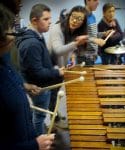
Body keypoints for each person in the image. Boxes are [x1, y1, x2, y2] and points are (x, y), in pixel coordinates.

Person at [0, 2, 54, 150]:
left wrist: (23, 86)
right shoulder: (29, 43)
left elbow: (11, 79)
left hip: (25, 136)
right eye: (9, 30)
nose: (13, 36)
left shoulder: (4, 57)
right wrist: (34, 145)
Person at [16, 4, 64, 135]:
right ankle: (39, 140)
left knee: (39, 115)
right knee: (40, 116)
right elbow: (37, 73)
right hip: (39, 87)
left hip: (38, 83)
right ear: (34, 21)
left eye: (50, 19)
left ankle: (39, 132)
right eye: (46, 19)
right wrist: (57, 72)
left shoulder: (37, 36)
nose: (50, 22)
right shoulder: (32, 43)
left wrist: (53, 66)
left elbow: (39, 61)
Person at [84, 0, 106, 65]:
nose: (98, 2)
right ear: (87, 1)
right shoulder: (82, 16)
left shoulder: (92, 16)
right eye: (95, 0)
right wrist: (95, 40)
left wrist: (104, 33)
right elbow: (78, 37)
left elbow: (93, 35)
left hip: (92, 56)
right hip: (84, 57)